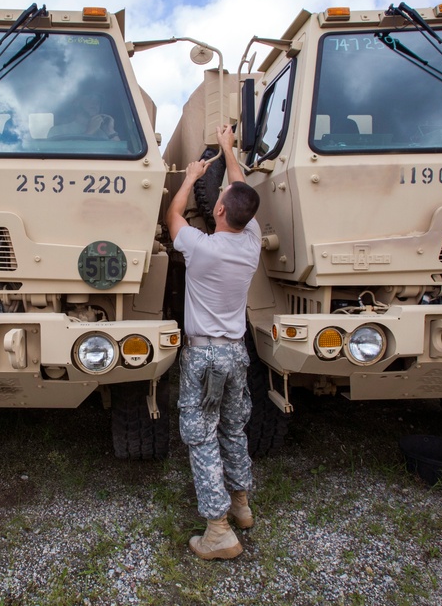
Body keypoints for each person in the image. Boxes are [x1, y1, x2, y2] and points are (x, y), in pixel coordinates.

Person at [165, 124, 262, 561]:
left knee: (201, 435)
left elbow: (173, 218)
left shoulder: (202, 248)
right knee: (232, 428)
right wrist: (228, 151)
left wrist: (189, 176)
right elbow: (242, 190)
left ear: (220, 211)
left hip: (204, 354)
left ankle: (219, 531)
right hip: (236, 353)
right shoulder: (253, 242)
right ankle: (241, 505)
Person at [48, 93, 119, 140]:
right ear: (77, 103)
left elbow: (126, 156)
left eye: (98, 101)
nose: (95, 103)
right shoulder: (57, 131)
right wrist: (89, 132)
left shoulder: (101, 134)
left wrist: (110, 132)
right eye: (90, 98)